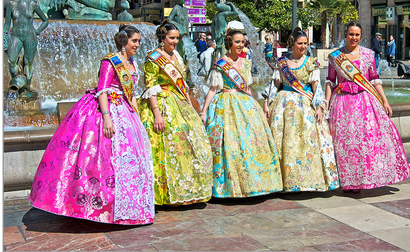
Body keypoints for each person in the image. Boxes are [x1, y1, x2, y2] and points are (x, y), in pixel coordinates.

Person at [29, 24, 155, 225]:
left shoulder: (132, 63)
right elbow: (102, 91)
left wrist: (137, 119)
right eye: (134, 41)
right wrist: (107, 119)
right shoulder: (110, 62)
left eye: (139, 41)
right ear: (124, 42)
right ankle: (102, 207)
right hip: (107, 111)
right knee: (103, 160)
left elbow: (131, 95)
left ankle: (130, 207)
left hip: (125, 111)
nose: (137, 45)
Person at [325, 21, 410, 193]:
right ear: (345, 35)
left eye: (357, 35)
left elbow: (374, 79)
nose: (354, 38)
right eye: (351, 34)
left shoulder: (368, 55)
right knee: (343, 143)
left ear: (360, 36)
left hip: (364, 103)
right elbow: (330, 81)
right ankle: (346, 180)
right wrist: (326, 103)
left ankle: (361, 179)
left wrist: (385, 101)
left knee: (364, 142)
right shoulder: (335, 57)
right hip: (342, 105)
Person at [200, 29, 283, 198]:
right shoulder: (220, 63)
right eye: (237, 42)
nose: (241, 45)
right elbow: (213, 89)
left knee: (252, 141)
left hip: (245, 105)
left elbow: (248, 88)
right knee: (229, 145)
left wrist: (259, 105)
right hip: (225, 105)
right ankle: (228, 187)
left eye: (242, 42)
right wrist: (203, 111)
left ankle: (255, 183)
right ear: (229, 43)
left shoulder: (246, 63)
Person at [138, 20, 213, 206]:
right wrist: (157, 114)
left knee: (195, 142)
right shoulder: (153, 57)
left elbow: (183, 84)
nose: (175, 41)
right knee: (168, 147)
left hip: (179, 102)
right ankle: (166, 192)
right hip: (162, 103)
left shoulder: (176, 56)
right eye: (172, 38)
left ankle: (189, 189)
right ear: (162, 38)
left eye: (177, 38)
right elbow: (150, 87)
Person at [263, 29, 339, 192]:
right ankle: (281, 181)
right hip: (282, 106)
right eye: (300, 43)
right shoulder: (282, 62)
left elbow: (316, 87)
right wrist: (267, 102)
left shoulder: (311, 63)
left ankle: (306, 180)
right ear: (292, 44)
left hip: (304, 107)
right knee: (282, 143)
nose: (303, 46)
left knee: (305, 143)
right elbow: (275, 85)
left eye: (305, 43)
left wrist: (319, 107)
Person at [3, 0, 49, 95]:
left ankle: (26, 87)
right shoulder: (11, 4)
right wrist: (4, 37)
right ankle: (17, 81)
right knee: (11, 61)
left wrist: (37, 31)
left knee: (28, 62)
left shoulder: (33, 4)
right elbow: (7, 23)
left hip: (30, 36)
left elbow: (45, 20)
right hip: (15, 36)